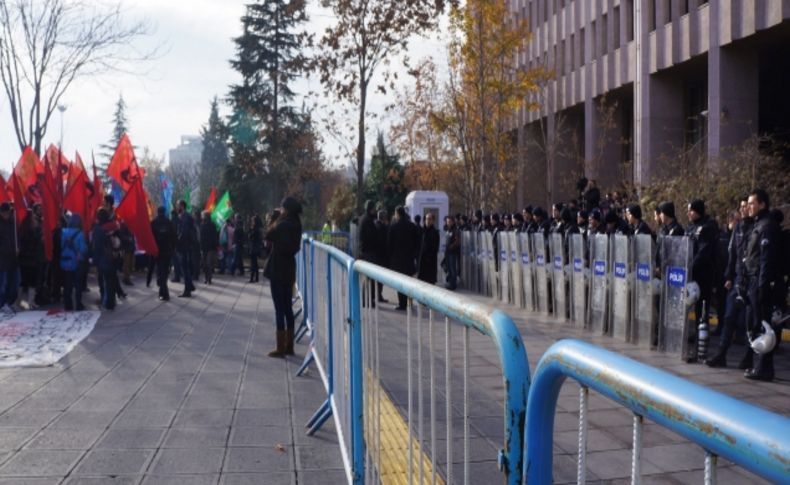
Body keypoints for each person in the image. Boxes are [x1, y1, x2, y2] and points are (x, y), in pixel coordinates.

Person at [706, 198, 752, 368]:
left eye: (745, 206)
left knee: (749, 322)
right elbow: (733, 254)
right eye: (741, 207)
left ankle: (749, 356)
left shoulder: (758, 226)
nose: (743, 209)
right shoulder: (739, 227)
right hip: (737, 279)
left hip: (752, 281)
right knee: (728, 317)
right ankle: (721, 354)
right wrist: (729, 277)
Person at [740, 189, 781, 381]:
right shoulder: (757, 224)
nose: (748, 207)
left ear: (762, 204)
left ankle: (763, 369)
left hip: (760, 281)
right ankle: (761, 367)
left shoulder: (767, 226)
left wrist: (763, 286)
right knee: (755, 323)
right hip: (753, 280)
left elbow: (766, 260)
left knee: (762, 324)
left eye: (752, 203)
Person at [264, 197, 302, 358]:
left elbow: (269, 234)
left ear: (286, 209)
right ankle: (289, 346)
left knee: (279, 309)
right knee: (287, 308)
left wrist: (274, 218)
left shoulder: (283, 225)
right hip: (289, 270)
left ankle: (280, 348)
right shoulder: (296, 224)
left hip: (278, 268)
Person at [685, 199, 718, 363]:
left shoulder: (708, 226)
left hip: (703, 275)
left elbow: (704, 252)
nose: (688, 213)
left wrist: (690, 267)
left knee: (701, 313)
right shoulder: (690, 227)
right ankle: (691, 347)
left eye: (691, 210)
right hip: (691, 275)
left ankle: (700, 350)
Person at [388, 206, 418, 310]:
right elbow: (416, 242)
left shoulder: (393, 226)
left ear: (397, 214)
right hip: (409, 259)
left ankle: (402, 303)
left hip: (397, 259)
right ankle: (409, 302)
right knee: (409, 281)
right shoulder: (412, 226)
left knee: (400, 282)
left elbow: (390, 244)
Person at [60, 214, 88, 311]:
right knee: (78, 285)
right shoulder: (80, 234)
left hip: (65, 261)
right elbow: (83, 249)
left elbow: (59, 246)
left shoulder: (63, 232)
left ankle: (68, 305)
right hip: (77, 261)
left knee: (67, 284)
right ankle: (78, 304)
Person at [93, 208, 118, 310]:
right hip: (114, 257)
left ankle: (107, 301)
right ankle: (111, 301)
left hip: (103, 258)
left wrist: (95, 260)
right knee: (111, 280)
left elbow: (97, 246)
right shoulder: (114, 226)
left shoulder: (99, 229)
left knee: (105, 281)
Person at [151, 207, 177, 300]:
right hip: (167, 251)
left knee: (160, 271)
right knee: (164, 272)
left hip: (158, 251)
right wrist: (173, 248)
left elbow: (151, 237)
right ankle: (163, 291)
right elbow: (174, 236)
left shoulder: (153, 223)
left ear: (158, 212)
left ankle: (164, 293)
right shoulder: (169, 222)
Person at [358, 200, 379, 306]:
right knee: (369, 279)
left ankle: (366, 299)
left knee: (366, 279)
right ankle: (368, 300)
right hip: (369, 252)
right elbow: (372, 237)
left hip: (364, 252)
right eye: (374, 208)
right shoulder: (369, 221)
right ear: (371, 209)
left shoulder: (363, 219)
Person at [176, 200, 197, 297]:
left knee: (184, 268)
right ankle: (190, 286)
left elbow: (184, 232)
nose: (177, 207)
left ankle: (187, 290)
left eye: (178, 205)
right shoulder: (186, 216)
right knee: (185, 267)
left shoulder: (185, 217)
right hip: (187, 245)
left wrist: (178, 240)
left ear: (182, 206)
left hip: (184, 246)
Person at [0, 203, 19, 314]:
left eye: (8, 212)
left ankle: (9, 302)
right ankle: (2, 304)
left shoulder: (13, 222)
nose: (6, 214)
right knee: (3, 284)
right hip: (2, 260)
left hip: (14, 259)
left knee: (15, 283)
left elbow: (17, 238)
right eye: (4, 213)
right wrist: (6, 250)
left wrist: (18, 247)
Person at [417, 213, 440, 285]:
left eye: (430, 219)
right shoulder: (421, 231)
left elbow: (435, 247)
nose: (428, 221)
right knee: (421, 281)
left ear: (433, 221)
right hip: (421, 260)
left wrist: (429, 257)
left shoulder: (435, 232)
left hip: (430, 261)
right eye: (426, 219)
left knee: (430, 281)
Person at [374, 209, 390, 302]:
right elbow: (385, 242)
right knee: (380, 278)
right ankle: (379, 295)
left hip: (376, 255)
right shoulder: (383, 228)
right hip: (381, 256)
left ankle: (377, 295)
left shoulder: (375, 225)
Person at [444, 214, 460, 290]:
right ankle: (450, 282)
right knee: (449, 269)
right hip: (447, 252)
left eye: (450, 222)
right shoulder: (448, 230)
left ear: (453, 222)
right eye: (447, 222)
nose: (448, 223)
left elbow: (457, 241)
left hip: (452, 253)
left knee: (453, 269)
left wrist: (451, 246)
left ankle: (453, 284)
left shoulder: (455, 230)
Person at [248, 215, 263, 283]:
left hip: (253, 248)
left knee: (253, 264)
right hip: (256, 248)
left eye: (252, 220)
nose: (251, 222)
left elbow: (250, 237)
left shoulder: (255, 229)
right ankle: (256, 278)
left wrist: (250, 230)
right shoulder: (258, 229)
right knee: (255, 264)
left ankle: (252, 278)